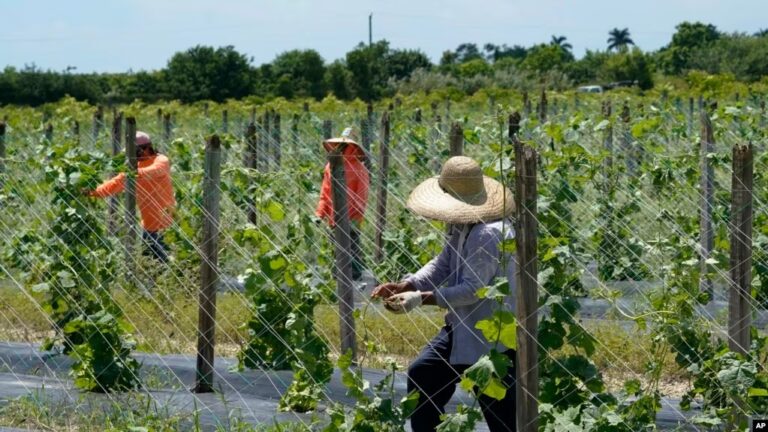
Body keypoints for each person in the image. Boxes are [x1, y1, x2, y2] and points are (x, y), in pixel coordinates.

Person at [371, 156, 517, 432]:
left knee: (501, 414)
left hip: (492, 336)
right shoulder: (464, 224)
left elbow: (473, 290)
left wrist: (420, 299)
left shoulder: (487, 233)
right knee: (423, 373)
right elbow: (444, 263)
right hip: (463, 325)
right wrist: (408, 285)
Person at [88, 131, 175, 262]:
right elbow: (111, 186)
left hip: (166, 225)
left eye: (133, 151)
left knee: (166, 263)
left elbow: (154, 171)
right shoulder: (133, 169)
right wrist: (89, 192)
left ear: (145, 149)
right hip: (148, 225)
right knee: (154, 265)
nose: (130, 156)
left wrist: (129, 174)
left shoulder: (161, 160)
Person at [315, 127, 370, 281]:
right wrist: (320, 213)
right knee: (336, 248)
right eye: (340, 144)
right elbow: (325, 192)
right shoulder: (330, 167)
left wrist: (353, 217)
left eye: (345, 145)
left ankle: (357, 280)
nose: (341, 148)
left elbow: (362, 196)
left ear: (353, 147)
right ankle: (337, 281)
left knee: (352, 248)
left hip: (351, 218)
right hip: (334, 217)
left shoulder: (360, 169)